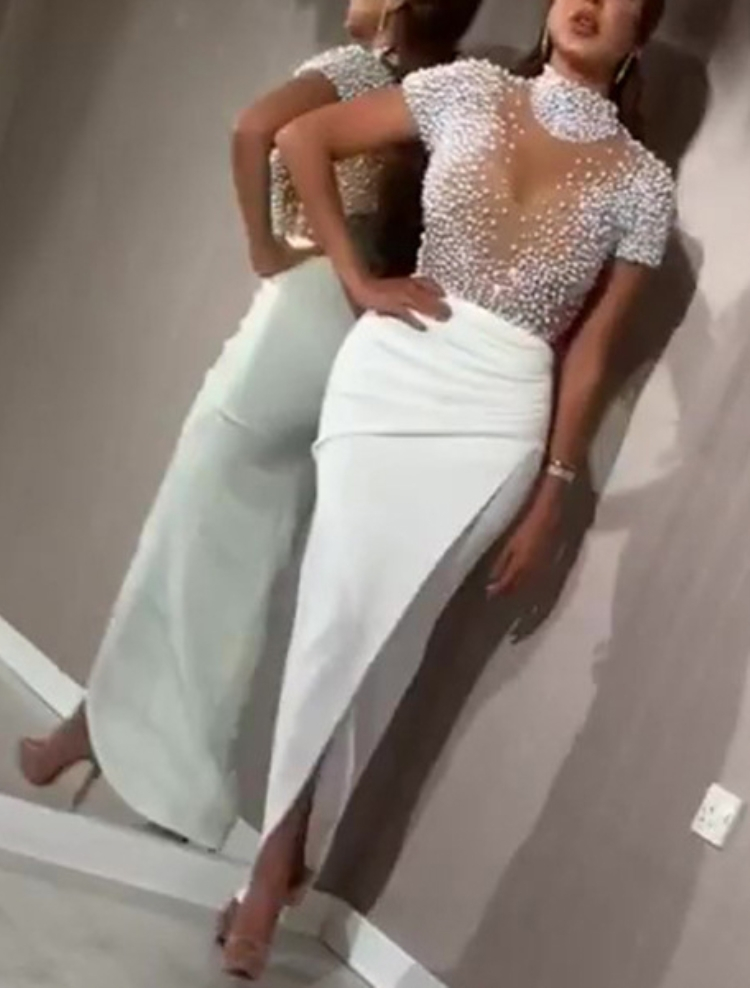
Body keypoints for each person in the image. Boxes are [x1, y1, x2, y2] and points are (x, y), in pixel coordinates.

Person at [220, 0, 676, 979]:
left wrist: (556, 488)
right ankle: (268, 868)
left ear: (639, 36)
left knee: (396, 640)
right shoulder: (467, 88)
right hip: (394, 372)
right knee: (333, 617)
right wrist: (357, 280)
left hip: (501, 410)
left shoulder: (642, 183)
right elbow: (301, 138)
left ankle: (290, 847)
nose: (588, 2)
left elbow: (593, 354)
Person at [17, 0, 483, 849]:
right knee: (236, 554)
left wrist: (266, 249)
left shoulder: (360, 73)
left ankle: (165, 776)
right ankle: (95, 731)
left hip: (298, 317)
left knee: (189, 540)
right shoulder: (440, 93)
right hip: (348, 335)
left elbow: (254, 129)